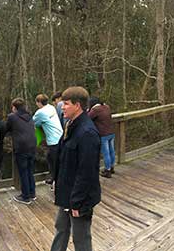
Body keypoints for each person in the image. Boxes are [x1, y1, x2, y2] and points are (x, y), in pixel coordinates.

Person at [50, 86, 101, 251]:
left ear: (77, 105)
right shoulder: (70, 125)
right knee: (61, 229)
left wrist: (77, 203)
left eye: (65, 104)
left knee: (81, 239)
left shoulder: (87, 133)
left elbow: (87, 172)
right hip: (67, 192)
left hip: (79, 198)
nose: (61, 107)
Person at [5, 98, 37, 204]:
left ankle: (25, 197)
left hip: (21, 147)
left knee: (23, 172)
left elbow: (6, 129)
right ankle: (32, 193)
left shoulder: (12, 117)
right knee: (29, 171)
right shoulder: (30, 115)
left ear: (14, 107)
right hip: (32, 145)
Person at [34, 94, 63, 188]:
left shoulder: (40, 112)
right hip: (60, 136)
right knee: (51, 157)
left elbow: (33, 123)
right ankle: (53, 178)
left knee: (54, 160)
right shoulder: (51, 107)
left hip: (53, 139)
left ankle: (57, 182)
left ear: (38, 102)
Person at [87, 96, 116, 178]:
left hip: (103, 134)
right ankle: (112, 167)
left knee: (105, 153)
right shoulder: (106, 107)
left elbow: (87, 117)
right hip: (111, 132)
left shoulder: (95, 110)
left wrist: (88, 110)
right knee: (111, 151)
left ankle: (107, 170)